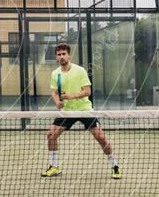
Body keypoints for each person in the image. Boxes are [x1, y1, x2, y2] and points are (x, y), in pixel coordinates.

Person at [43, 43, 121, 179]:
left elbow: (87, 91)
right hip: (67, 111)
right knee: (51, 135)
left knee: (101, 138)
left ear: (69, 55)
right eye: (59, 54)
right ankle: (54, 166)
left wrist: (70, 96)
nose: (61, 56)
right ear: (56, 57)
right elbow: (54, 92)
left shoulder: (80, 71)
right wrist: (57, 102)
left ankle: (114, 166)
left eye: (64, 54)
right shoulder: (55, 74)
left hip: (84, 110)